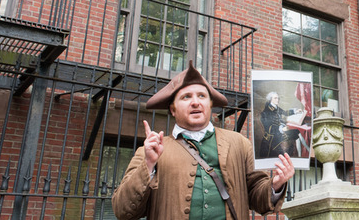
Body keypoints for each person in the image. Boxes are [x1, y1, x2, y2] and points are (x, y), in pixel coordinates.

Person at [112, 61, 295, 220]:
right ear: (173, 109)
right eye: (186, 97)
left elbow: (258, 198)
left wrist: (276, 184)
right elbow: (123, 211)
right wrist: (149, 165)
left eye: (202, 96)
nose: (195, 102)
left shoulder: (239, 143)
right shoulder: (150, 151)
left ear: (210, 105)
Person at [258, 91, 304, 158]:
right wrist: (282, 129)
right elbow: (269, 128)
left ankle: (300, 155)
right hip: (273, 137)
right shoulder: (266, 112)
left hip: (279, 132)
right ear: (270, 99)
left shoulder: (276, 108)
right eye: (275, 98)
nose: (278, 100)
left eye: (278, 98)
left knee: (297, 131)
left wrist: (295, 111)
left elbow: (285, 112)